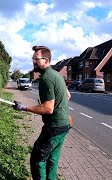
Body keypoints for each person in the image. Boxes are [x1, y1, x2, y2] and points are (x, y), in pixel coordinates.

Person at [12, 46, 71, 180]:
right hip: (64, 124)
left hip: (54, 127)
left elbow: (48, 108)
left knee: (38, 159)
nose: (33, 62)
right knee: (52, 157)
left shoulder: (46, 78)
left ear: (46, 60)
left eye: (36, 59)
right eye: (33, 59)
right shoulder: (57, 75)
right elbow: (67, 95)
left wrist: (24, 108)